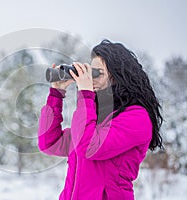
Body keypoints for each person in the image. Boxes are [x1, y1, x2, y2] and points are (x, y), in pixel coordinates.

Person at [38, 39, 163, 200]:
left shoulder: (137, 118)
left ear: (118, 76)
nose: (92, 78)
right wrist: (57, 94)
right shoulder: (94, 117)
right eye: (91, 71)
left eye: (99, 73)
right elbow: (49, 143)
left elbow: (88, 146)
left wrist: (85, 93)